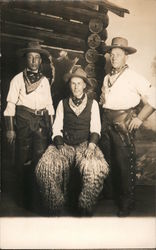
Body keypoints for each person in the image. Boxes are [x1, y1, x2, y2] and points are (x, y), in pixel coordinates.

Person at [35, 66, 109, 216]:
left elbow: (96, 128)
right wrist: (60, 144)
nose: (76, 87)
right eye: (73, 83)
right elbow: (56, 128)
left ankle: (85, 206)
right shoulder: (62, 103)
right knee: (45, 167)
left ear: (84, 85)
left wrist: (91, 146)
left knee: (95, 167)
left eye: (79, 83)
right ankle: (54, 204)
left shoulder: (93, 104)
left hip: (85, 144)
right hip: (65, 144)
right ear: (70, 85)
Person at [100, 37, 155, 217]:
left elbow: (154, 98)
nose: (114, 57)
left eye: (118, 54)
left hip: (123, 123)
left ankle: (127, 201)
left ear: (126, 57)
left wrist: (139, 117)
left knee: (124, 163)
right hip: (106, 123)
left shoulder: (134, 77)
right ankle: (111, 194)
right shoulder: (107, 77)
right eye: (112, 54)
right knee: (108, 159)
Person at [4, 41, 55, 209]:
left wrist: (52, 129)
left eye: (37, 58)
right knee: (22, 158)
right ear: (26, 59)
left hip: (41, 124)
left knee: (39, 159)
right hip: (23, 123)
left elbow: (49, 106)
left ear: (41, 61)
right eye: (30, 57)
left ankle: (36, 197)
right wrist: (10, 129)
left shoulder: (45, 81)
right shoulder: (17, 79)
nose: (33, 61)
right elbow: (10, 105)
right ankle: (21, 197)